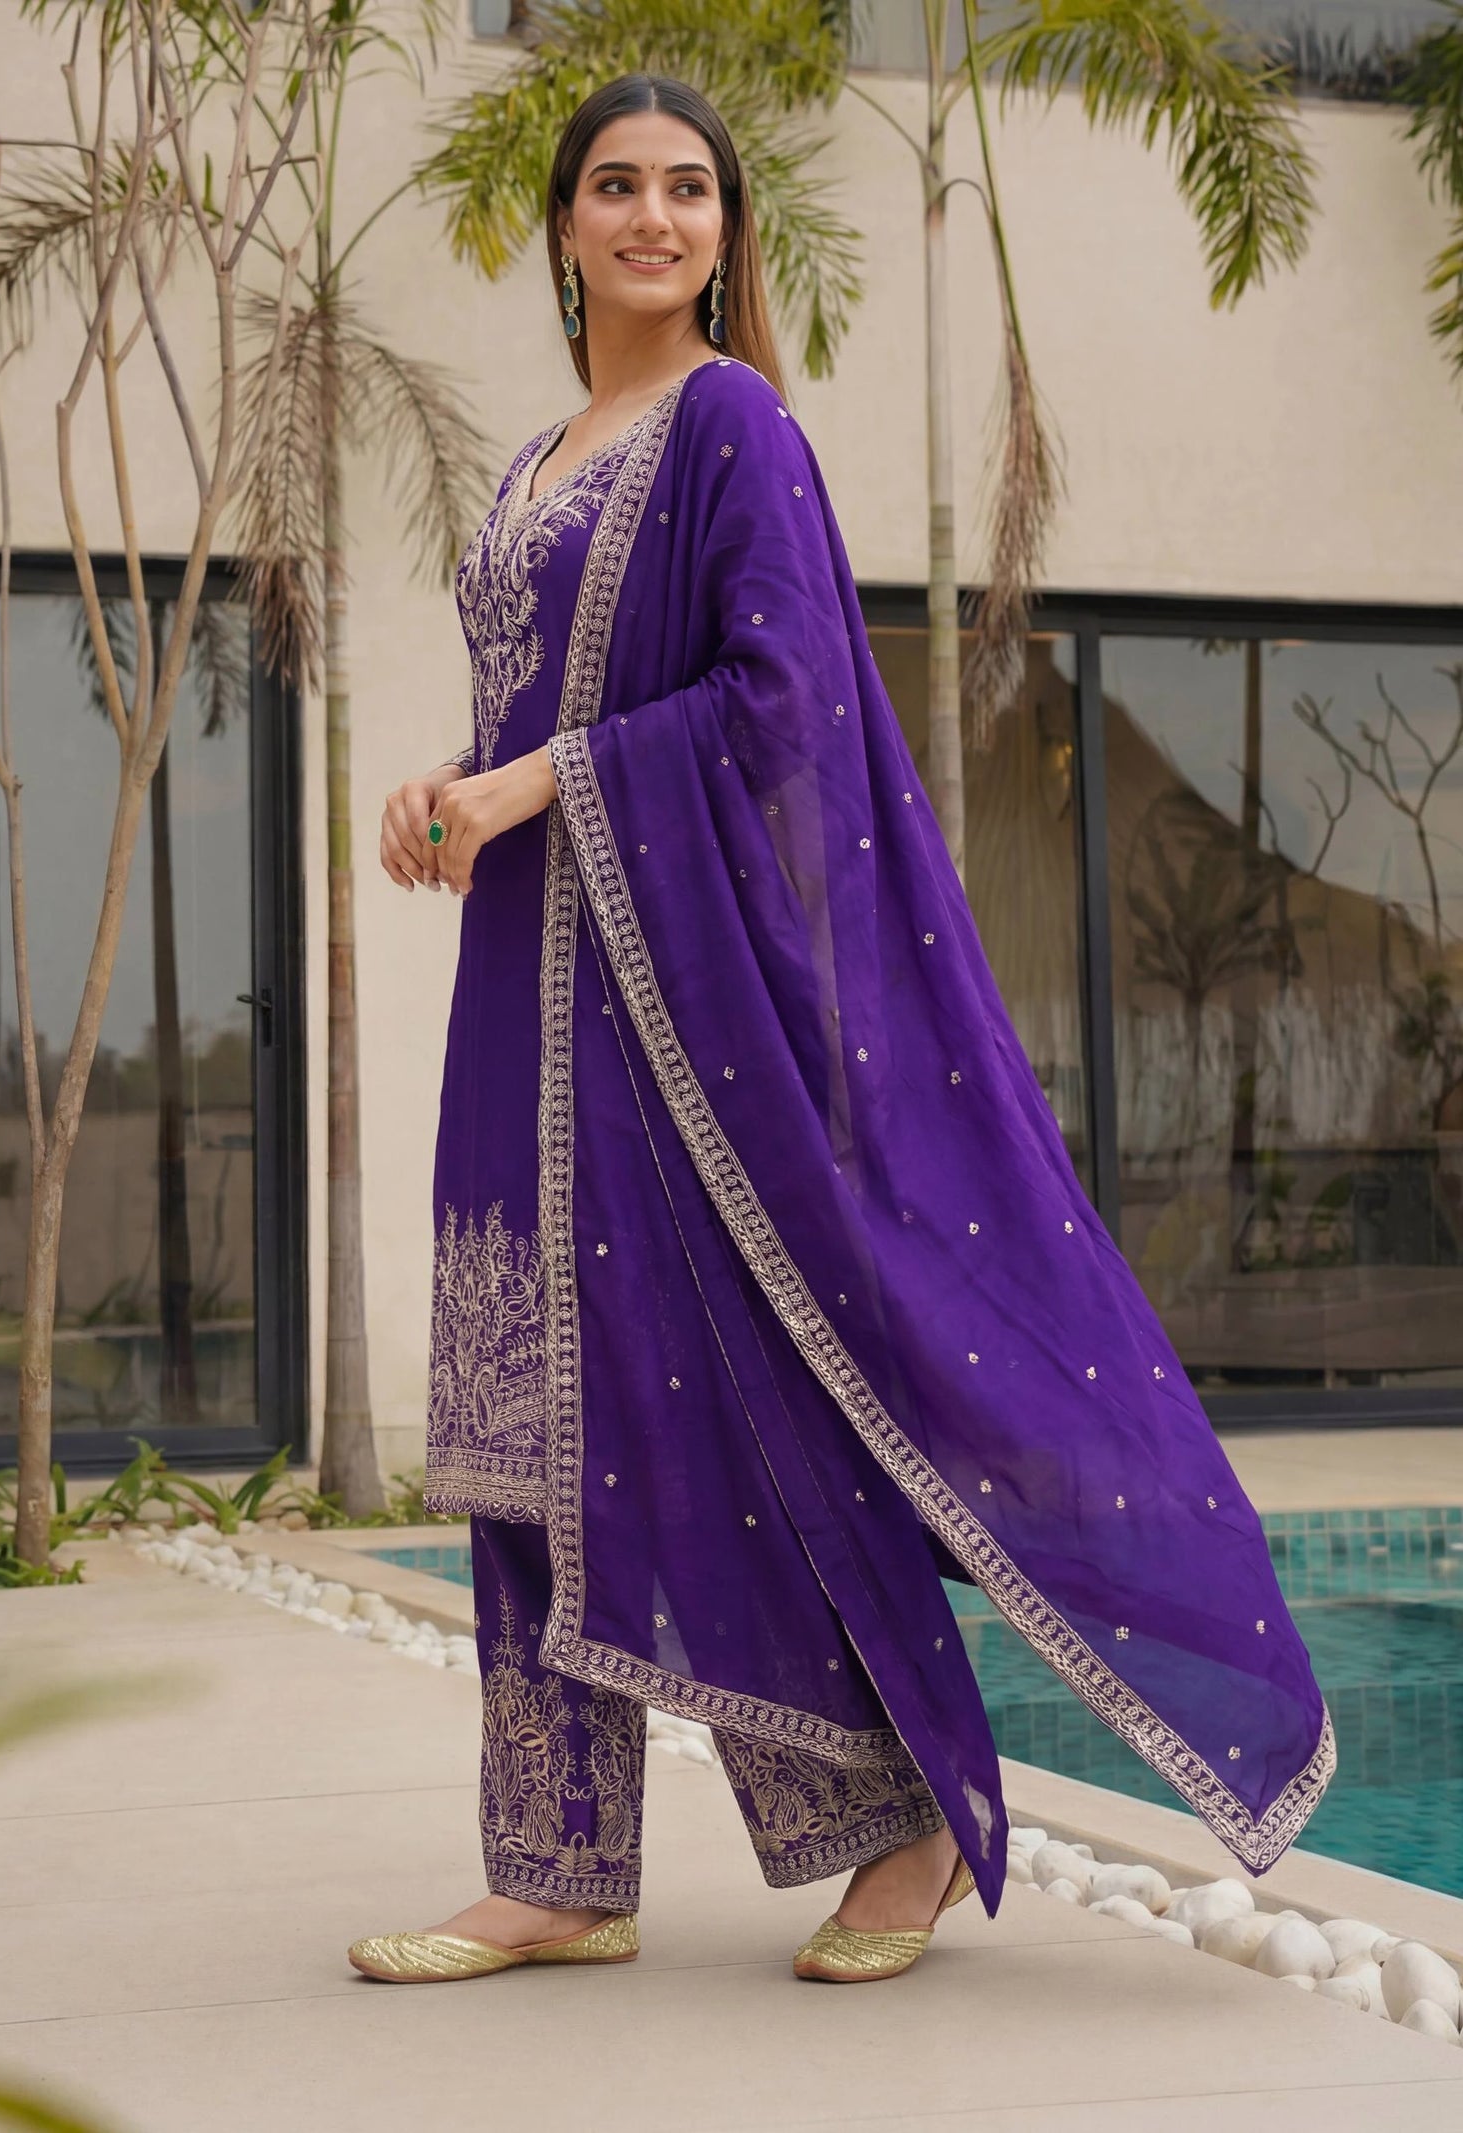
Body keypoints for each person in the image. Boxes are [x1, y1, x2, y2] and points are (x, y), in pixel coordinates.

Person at [352, 72, 1333, 1988]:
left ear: (726, 234)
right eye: (617, 187)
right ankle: (556, 1865)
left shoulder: (734, 430)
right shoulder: (530, 461)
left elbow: (784, 706)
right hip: (522, 1014)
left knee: (723, 1418)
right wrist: (446, 791)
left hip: (672, 1030)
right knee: (523, 1433)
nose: (654, 216)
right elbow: (534, 737)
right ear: (560, 226)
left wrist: (538, 774)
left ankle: (896, 1825)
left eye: (689, 190)